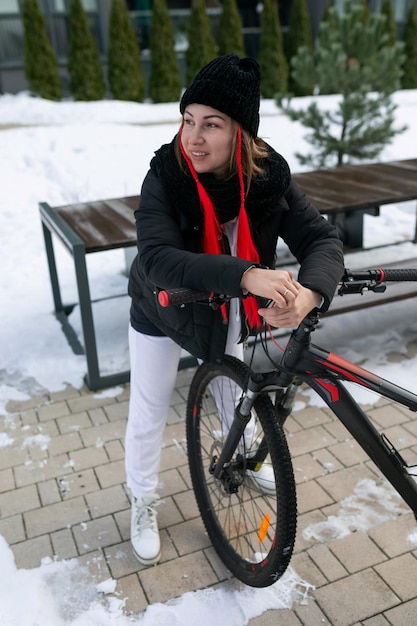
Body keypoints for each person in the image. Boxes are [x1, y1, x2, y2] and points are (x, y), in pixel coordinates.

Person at [126, 54, 344, 566]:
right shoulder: (166, 175)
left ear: (240, 134)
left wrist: (310, 294)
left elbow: (321, 239)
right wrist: (246, 276)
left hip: (223, 307)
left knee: (233, 392)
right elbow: (157, 258)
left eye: (212, 124)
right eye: (188, 120)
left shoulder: (267, 178)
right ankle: (142, 496)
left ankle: (239, 463)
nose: (194, 137)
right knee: (151, 408)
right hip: (162, 307)